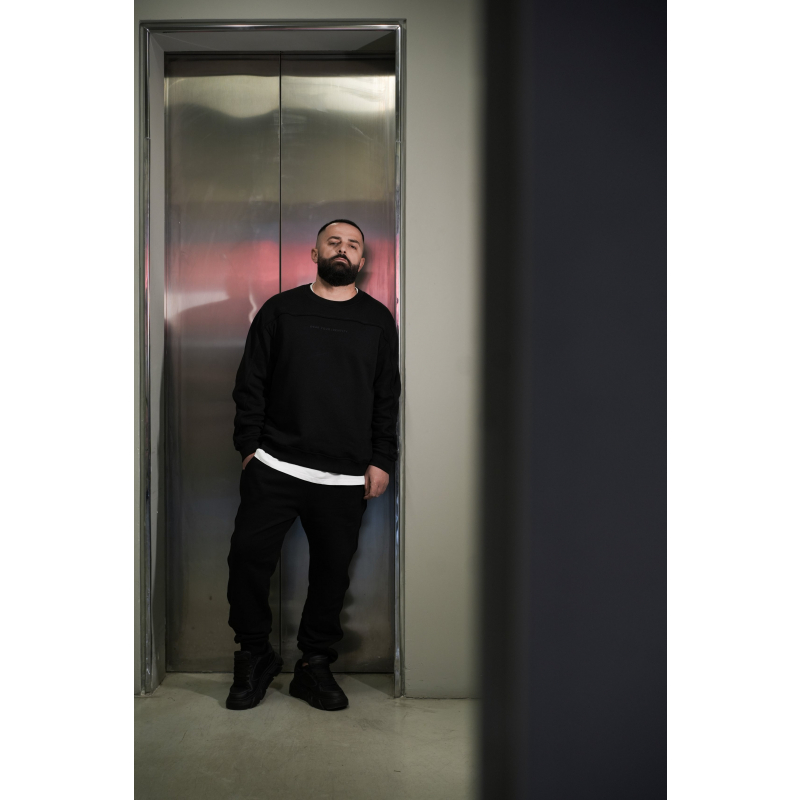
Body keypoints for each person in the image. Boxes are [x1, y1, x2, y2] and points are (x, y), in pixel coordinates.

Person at [225, 219, 401, 712]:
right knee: (247, 559)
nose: (343, 250)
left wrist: (382, 458)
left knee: (331, 574)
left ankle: (313, 664)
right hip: (275, 464)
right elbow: (251, 382)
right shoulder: (281, 309)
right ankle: (255, 654)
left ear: (362, 260)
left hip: (345, 474)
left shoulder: (377, 319)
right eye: (333, 242)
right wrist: (249, 448)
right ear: (314, 253)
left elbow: (386, 396)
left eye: (353, 245)